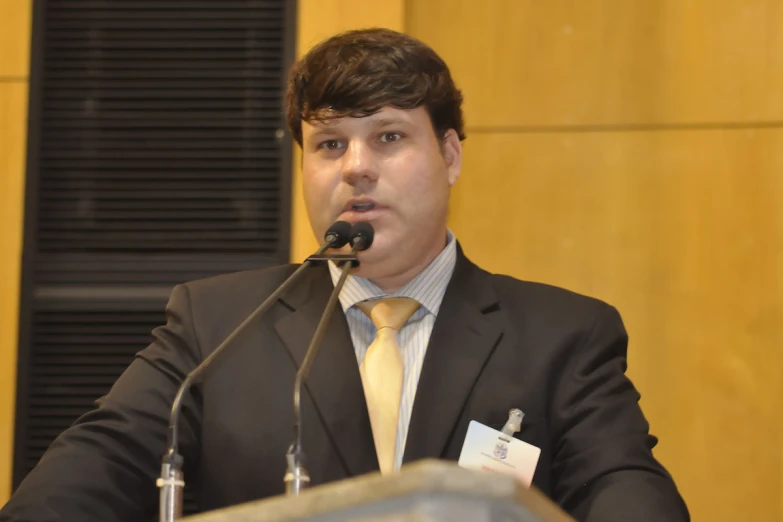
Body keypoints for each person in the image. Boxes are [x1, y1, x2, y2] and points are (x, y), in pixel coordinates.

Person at [0, 28, 689, 522]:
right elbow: (84, 476)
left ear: (448, 155)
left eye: (388, 136)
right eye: (329, 143)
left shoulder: (561, 336)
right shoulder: (215, 326)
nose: (355, 166)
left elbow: (624, 486)